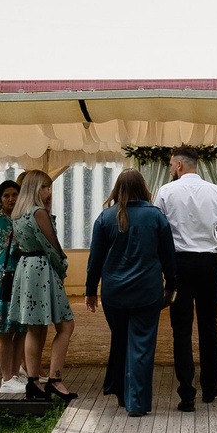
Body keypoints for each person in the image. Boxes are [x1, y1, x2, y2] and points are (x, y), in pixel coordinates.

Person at [85, 167, 175, 415]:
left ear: (117, 189)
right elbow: (168, 257)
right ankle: (136, 402)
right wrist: (171, 287)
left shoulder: (105, 218)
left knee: (122, 340)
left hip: (114, 293)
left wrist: (90, 291)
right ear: (143, 188)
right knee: (141, 346)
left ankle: (121, 393)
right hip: (147, 292)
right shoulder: (156, 217)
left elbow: (95, 261)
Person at [154, 151, 217, 408]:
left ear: (179, 164)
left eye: (170, 165)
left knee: (181, 329)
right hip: (208, 264)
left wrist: (160, 270)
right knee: (209, 327)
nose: (169, 169)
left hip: (179, 265)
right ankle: (210, 388)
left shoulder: (166, 192)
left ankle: (186, 393)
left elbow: (158, 232)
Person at [3, 168, 75, 398]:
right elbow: (52, 245)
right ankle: (55, 377)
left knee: (34, 328)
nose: (49, 191)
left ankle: (33, 380)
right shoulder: (38, 213)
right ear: (36, 188)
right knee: (65, 325)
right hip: (43, 269)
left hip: (26, 268)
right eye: (45, 187)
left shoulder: (18, 213)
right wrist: (62, 267)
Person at [0, 178, 22, 388]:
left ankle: (17, 374)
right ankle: (6, 377)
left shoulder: (21, 217)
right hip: (5, 278)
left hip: (20, 277)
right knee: (6, 329)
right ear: (0, 199)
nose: (11, 199)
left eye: (14, 194)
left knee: (21, 328)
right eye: (6, 195)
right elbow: (16, 247)